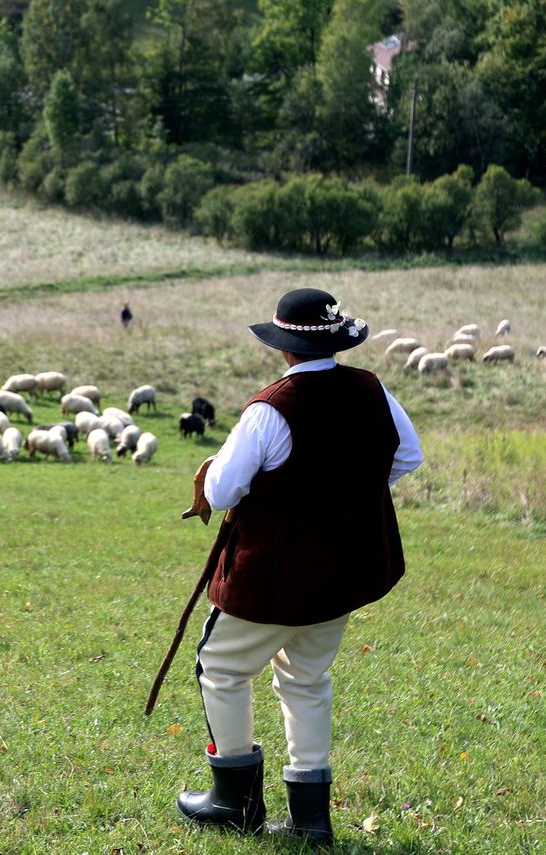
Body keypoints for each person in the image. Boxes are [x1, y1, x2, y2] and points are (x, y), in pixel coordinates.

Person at [176, 287, 422, 845]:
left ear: (284, 347)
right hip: (340, 573)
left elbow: (222, 487)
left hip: (272, 578)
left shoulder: (270, 408)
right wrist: (345, 499)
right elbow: (408, 455)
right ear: (336, 340)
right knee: (307, 679)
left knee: (221, 668)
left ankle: (233, 803)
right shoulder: (372, 389)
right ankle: (310, 820)